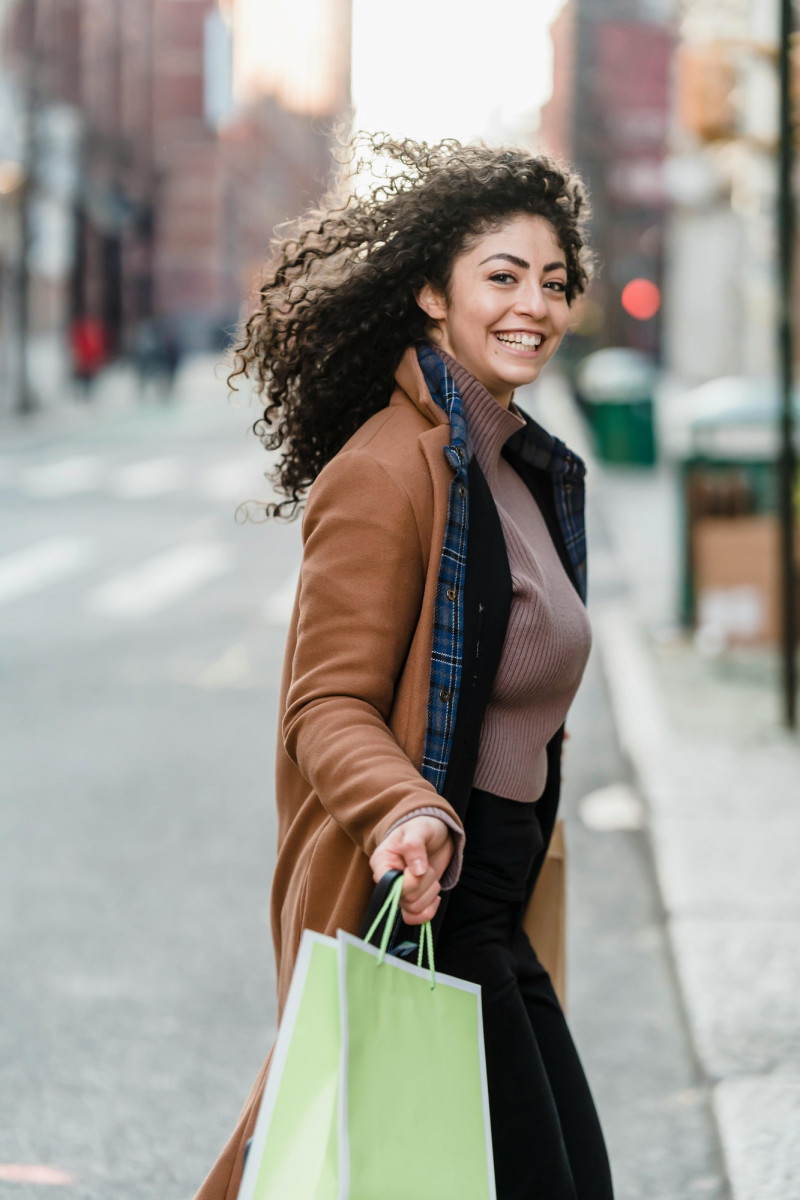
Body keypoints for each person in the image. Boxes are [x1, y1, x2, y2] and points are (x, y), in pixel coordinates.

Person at [195, 136, 614, 1200]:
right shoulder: (388, 471)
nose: (535, 305)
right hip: (427, 895)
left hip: (495, 902)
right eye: (503, 276)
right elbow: (324, 705)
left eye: (554, 282)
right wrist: (401, 811)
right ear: (433, 294)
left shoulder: (514, 464)